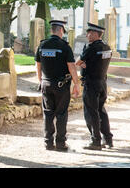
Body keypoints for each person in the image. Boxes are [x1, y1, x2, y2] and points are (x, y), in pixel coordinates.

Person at [35, 20, 80, 151]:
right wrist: (76, 84)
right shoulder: (65, 46)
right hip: (61, 86)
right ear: (61, 30)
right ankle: (60, 143)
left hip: (46, 83)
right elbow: (71, 67)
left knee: (48, 113)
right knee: (61, 114)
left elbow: (38, 65)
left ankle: (48, 143)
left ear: (51, 30)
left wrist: (40, 81)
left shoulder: (42, 45)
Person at [76, 22, 114, 150]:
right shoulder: (107, 47)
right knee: (101, 111)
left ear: (95, 34)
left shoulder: (91, 48)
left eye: (89, 33)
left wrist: (83, 64)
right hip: (102, 83)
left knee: (91, 113)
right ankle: (108, 139)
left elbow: (78, 62)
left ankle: (95, 141)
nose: (87, 35)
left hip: (91, 84)